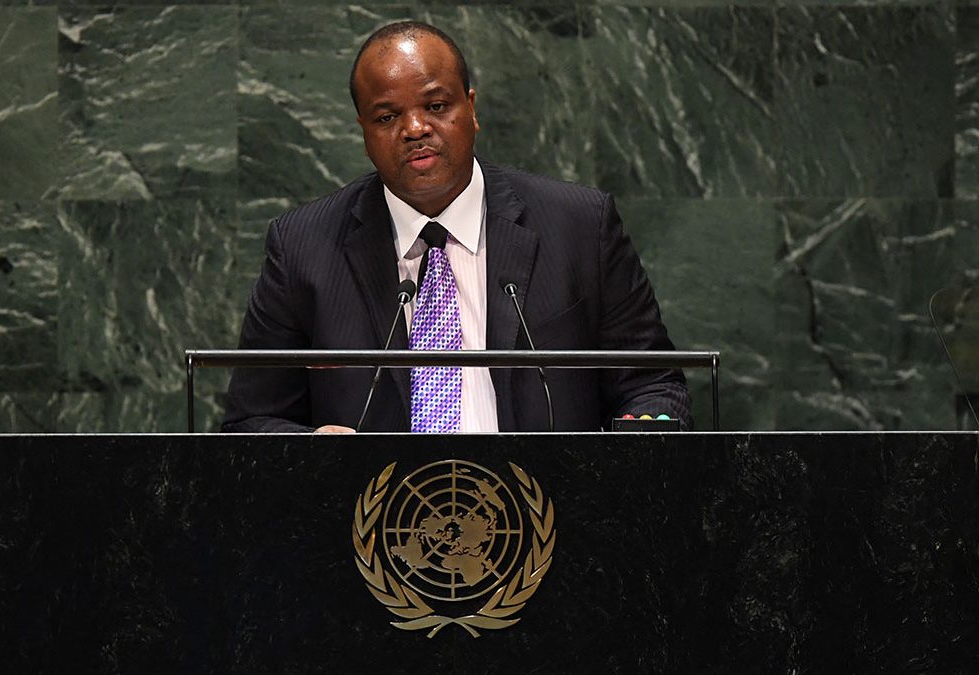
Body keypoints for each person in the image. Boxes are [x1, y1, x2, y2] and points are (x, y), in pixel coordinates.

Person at [222, 21, 691, 433]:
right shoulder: (302, 248)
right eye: (387, 117)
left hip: (549, 500)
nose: (415, 128)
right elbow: (251, 421)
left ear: (471, 108)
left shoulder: (580, 227)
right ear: (363, 132)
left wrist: (638, 446)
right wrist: (312, 451)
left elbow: (652, 384)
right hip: (374, 505)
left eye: (436, 105)